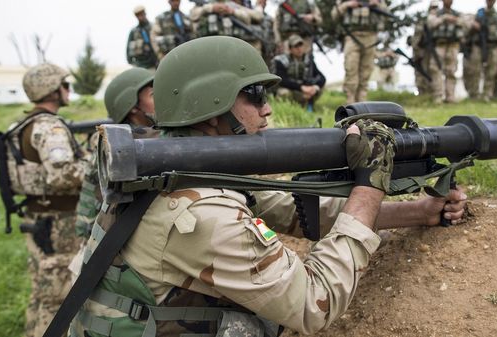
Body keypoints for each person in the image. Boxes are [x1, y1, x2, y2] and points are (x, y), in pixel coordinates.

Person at [71, 36, 467, 337]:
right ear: (211, 107)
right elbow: (314, 303)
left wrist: (417, 212)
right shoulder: (202, 215)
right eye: (254, 94)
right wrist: (369, 187)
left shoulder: (179, 166)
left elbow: (291, 211)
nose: (267, 108)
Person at [5, 63, 85, 337]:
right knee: (59, 294)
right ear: (52, 90)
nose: (68, 90)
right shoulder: (49, 128)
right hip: (58, 223)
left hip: (37, 217)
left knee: (41, 289)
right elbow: (62, 175)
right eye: (65, 85)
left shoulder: (22, 124)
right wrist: (97, 167)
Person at [73, 67, 156, 241]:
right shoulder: (118, 146)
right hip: (101, 240)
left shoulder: (144, 137)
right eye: (154, 95)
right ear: (132, 106)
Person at [332, 0, 391, 104]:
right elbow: (334, 15)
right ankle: (350, 103)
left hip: (371, 37)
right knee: (351, 68)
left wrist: (378, 4)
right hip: (352, 36)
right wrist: (347, 5)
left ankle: (362, 103)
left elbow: (387, 14)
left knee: (366, 71)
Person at [464, 0, 497, 101]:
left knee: (491, 72)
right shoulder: (478, 14)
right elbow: (466, 28)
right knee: (475, 71)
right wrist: (473, 25)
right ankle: (474, 95)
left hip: (493, 46)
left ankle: (487, 95)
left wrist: (492, 32)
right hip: (478, 46)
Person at [272, 34, 326, 111]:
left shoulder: (309, 61)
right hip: (292, 90)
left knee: (320, 88)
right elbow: (281, 80)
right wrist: (301, 87)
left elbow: (322, 77)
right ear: (290, 49)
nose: (299, 49)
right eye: (296, 46)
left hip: (304, 92)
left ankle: (307, 106)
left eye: (300, 45)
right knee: (284, 93)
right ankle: (287, 110)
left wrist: (315, 88)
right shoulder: (281, 60)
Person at [427, 0, 464, 103]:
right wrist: (444, 18)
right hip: (440, 44)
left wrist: (454, 20)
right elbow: (431, 23)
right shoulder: (436, 13)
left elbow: (465, 23)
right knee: (435, 68)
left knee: (451, 70)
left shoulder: (457, 14)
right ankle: (438, 96)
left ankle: (450, 96)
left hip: (453, 45)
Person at [409, 0, 440, 96]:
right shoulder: (423, 22)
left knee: (431, 71)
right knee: (420, 73)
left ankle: (430, 93)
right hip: (421, 50)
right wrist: (417, 52)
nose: (434, 10)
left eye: (436, 8)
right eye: (433, 8)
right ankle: (422, 93)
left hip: (430, 51)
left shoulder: (438, 21)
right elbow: (416, 39)